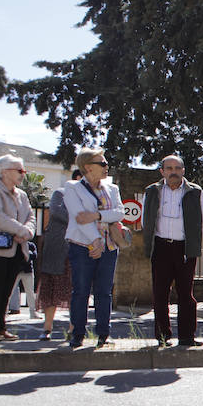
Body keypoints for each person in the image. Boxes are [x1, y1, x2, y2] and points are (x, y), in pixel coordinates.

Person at [142, 154, 203, 347]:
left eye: (177, 168)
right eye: (169, 168)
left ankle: (187, 337)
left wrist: (193, 242)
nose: (174, 172)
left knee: (186, 294)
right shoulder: (152, 191)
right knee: (160, 294)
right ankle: (163, 337)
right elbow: (145, 220)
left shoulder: (195, 192)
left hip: (185, 248)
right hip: (161, 246)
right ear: (162, 171)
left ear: (183, 171)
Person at [63, 148, 125, 348]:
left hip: (109, 247)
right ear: (88, 167)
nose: (107, 167)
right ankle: (78, 334)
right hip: (83, 246)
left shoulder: (112, 189)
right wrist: (94, 241)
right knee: (80, 291)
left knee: (104, 292)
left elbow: (119, 213)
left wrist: (98, 216)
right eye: (102, 164)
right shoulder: (73, 188)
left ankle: (103, 334)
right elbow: (79, 216)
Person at [0, 154, 37, 340]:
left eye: (24, 170)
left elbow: (31, 216)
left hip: (16, 249)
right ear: (4, 172)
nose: (23, 174)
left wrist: (27, 231)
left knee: (6, 290)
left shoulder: (21, 194)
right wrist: (21, 230)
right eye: (19, 170)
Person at [35, 170, 79, 341]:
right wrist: (82, 216)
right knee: (51, 289)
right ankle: (47, 328)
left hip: (77, 249)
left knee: (75, 290)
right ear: (77, 178)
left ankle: (74, 328)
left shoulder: (90, 198)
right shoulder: (60, 193)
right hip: (57, 249)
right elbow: (57, 212)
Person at [7, 239, 38, 318]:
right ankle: (5, 311)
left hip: (28, 271)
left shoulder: (31, 245)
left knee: (30, 292)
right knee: (9, 292)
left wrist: (26, 252)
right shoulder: (15, 245)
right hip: (16, 271)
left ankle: (32, 312)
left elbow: (34, 255)